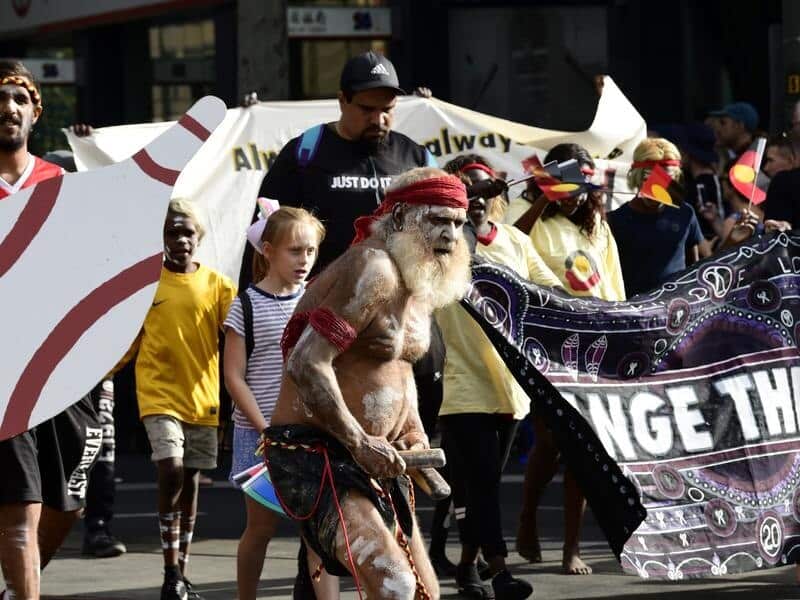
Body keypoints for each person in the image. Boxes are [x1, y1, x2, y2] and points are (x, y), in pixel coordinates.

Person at [263, 167, 472, 600]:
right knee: (394, 586)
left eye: (459, 223)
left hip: (379, 457)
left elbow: (398, 369)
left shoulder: (419, 282)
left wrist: (411, 429)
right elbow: (307, 363)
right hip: (320, 453)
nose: (452, 235)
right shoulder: (373, 267)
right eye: (438, 220)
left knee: (423, 594)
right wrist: (359, 442)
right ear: (398, 218)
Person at [0, 59, 104, 600]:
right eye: (0, 97)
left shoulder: (60, 181)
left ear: (35, 111)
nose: (7, 107)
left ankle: (18, 585)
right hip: (3, 369)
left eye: (19, 97)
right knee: (20, 509)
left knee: (68, 501)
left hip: (61, 368)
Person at [437, 154, 559, 599]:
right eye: (464, 190)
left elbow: (549, 292)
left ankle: (468, 568)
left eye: (484, 188)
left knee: (480, 485)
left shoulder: (515, 241)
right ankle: (501, 571)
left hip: (511, 388)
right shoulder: (445, 244)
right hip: (463, 383)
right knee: (484, 481)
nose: (476, 198)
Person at [513, 142, 625, 576]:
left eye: (583, 184)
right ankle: (526, 517)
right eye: (568, 182)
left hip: (594, 345)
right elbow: (510, 244)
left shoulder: (598, 224)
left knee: (583, 445)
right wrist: (544, 197)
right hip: (548, 342)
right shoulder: (537, 216)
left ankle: (571, 548)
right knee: (550, 441)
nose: (577, 192)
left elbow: (614, 285)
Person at [116, 199, 237, 600]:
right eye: (172, 232)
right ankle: (170, 568)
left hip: (203, 400)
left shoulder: (218, 285)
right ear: (161, 238)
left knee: (191, 481)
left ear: (198, 237)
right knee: (170, 468)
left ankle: (178, 576)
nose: (181, 239)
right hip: (158, 396)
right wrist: (86, 377)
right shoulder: (146, 285)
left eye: (187, 232)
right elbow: (125, 344)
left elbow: (237, 338)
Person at [223, 206, 338, 600]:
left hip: (311, 435)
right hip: (262, 439)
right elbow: (234, 376)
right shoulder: (247, 304)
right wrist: (265, 428)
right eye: (294, 251)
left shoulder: (318, 302)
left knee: (318, 535)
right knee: (261, 528)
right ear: (268, 250)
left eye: (310, 251)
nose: (304, 260)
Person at [257, 50, 437, 272]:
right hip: (321, 299)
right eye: (367, 109)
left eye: (387, 109)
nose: (378, 119)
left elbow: (453, 222)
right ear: (342, 100)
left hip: (398, 299)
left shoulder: (416, 157)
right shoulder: (304, 153)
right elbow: (265, 230)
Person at [607, 137, 704, 298]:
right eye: (649, 181)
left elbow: (695, 269)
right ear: (636, 178)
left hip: (677, 312)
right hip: (633, 313)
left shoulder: (685, 213)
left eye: (665, 183)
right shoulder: (615, 221)